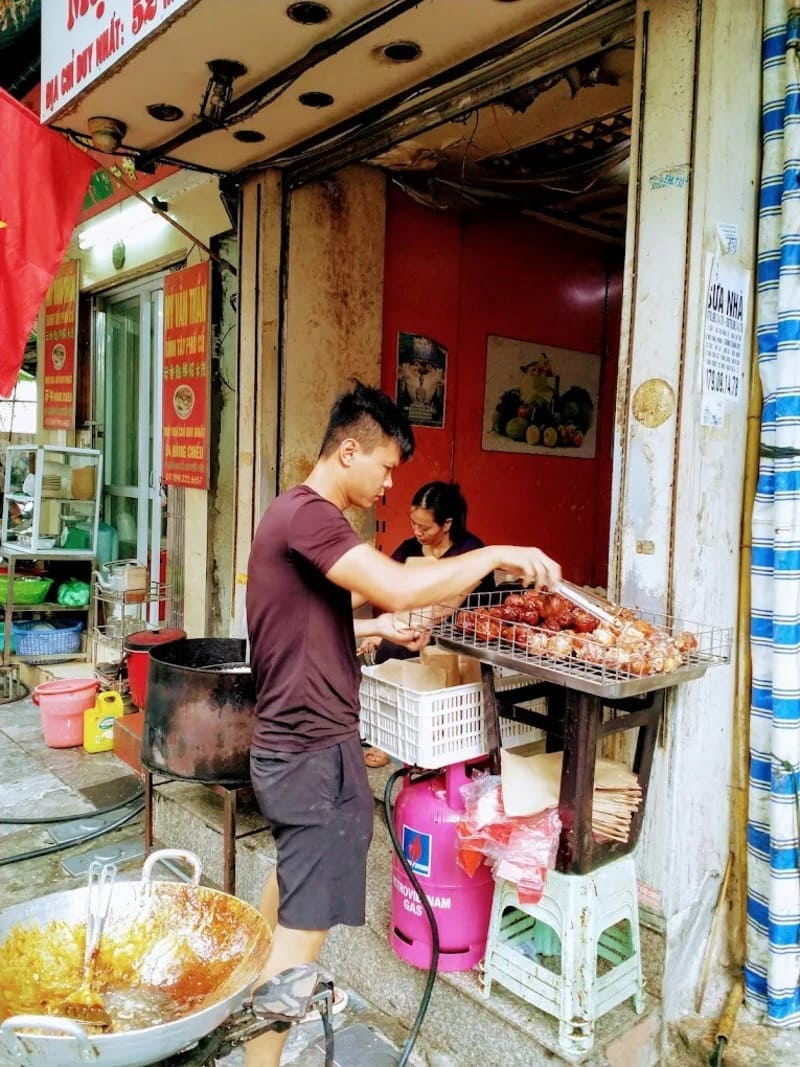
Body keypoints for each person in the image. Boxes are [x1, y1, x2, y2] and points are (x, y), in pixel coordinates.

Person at [245, 379, 560, 1066]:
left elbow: (320, 616)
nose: (390, 482)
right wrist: (495, 554)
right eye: (386, 465)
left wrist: (380, 626)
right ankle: (257, 1053)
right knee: (301, 946)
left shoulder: (300, 520)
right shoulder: (312, 513)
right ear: (349, 449)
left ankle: (249, 996)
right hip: (308, 752)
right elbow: (399, 580)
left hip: (299, 747)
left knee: (290, 890)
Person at [372, 480, 494, 666]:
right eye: (414, 523)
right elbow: (384, 583)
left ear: (446, 524)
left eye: (425, 528)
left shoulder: (471, 552)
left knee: (394, 646)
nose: (417, 532)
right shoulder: (410, 548)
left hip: (460, 643)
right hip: (419, 634)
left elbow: (443, 609)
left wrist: (393, 629)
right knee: (389, 648)